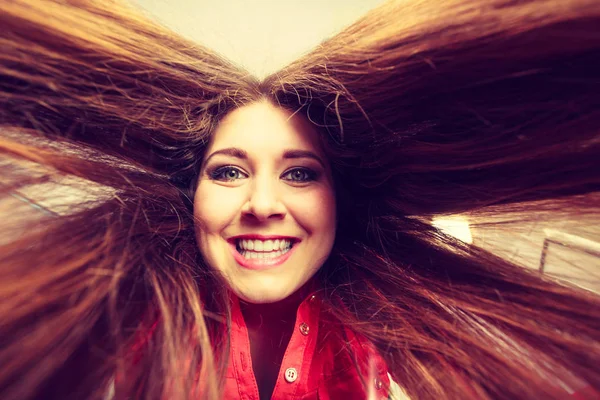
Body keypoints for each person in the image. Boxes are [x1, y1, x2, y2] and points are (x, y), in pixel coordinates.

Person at [1, 0, 600, 399]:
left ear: (341, 201)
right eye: (230, 171)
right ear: (191, 197)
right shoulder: (138, 304)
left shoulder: (384, 307)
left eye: (301, 175)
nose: (262, 202)